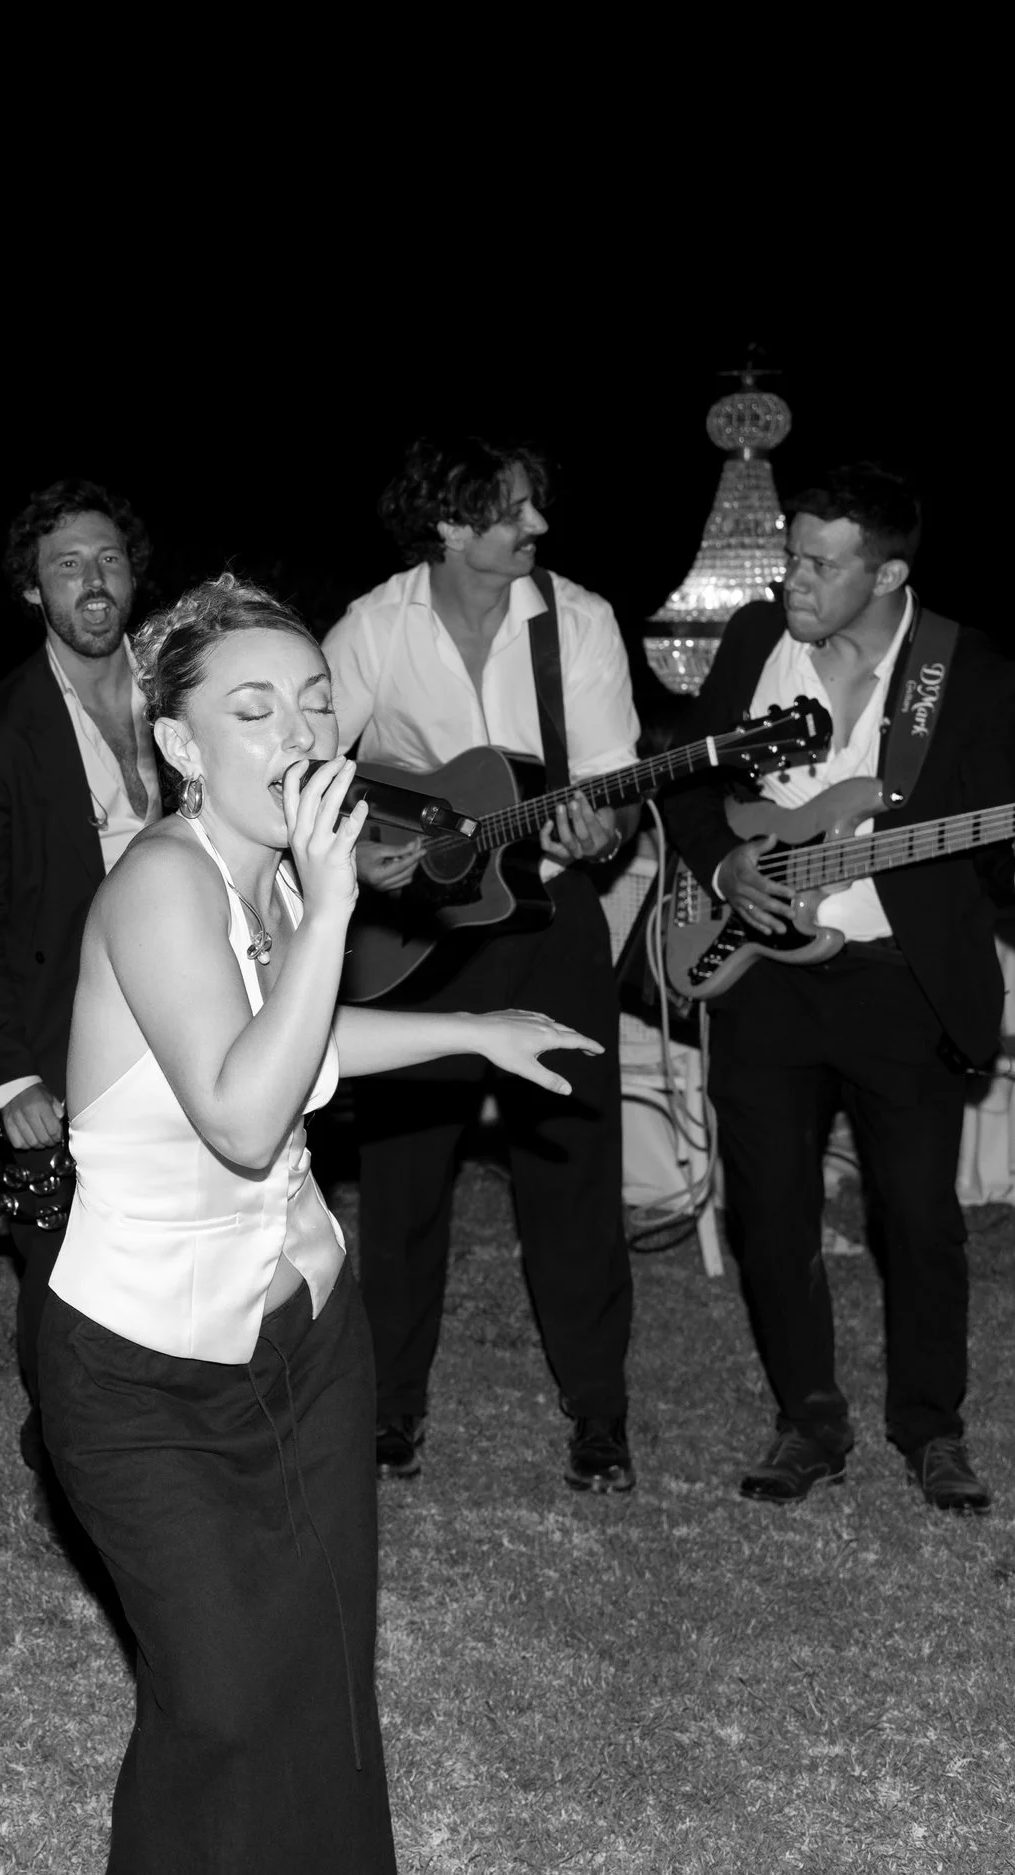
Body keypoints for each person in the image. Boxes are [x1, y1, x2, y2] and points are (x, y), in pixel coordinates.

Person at [41, 577, 596, 1873]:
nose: (298, 733)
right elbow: (241, 1114)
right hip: (146, 1370)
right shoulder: (157, 886)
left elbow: (291, 1040)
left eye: (313, 701)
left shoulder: (270, 879)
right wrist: (333, 896)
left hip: (306, 1336)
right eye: (252, 708)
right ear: (179, 742)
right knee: (223, 1700)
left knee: (326, 1676)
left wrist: (472, 1027)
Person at [659, 465, 1013, 1513]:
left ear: (890, 573)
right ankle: (806, 1421)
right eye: (792, 554)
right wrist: (721, 862)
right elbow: (687, 778)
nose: (791, 580)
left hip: (898, 984)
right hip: (761, 978)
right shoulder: (749, 646)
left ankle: (929, 1428)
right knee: (769, 1213)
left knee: (918, 1217)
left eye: (821, 564)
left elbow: (996, 859)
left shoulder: (971, 672)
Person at [323, 437, 642, 1492]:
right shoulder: (374, 627)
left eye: (534, 507)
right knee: (405, 1182)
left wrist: (604, 822)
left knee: (573, 1171)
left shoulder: (579, 624)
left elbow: (609, 782)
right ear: (451, 528)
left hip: (550, 924)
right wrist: (382, 845)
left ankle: (598, 1413)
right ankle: (388, 1412)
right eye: (509, 511)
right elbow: (308, 768)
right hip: (416, 936)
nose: (534, 528)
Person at [0, 480, 158, 1491]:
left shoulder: (183, 700)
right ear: (34, 590)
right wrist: (8, 1077)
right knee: (64, 1267)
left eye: (107, 558)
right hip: (65, 1043)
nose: (93, 580)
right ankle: (63, 1458)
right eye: (67, 564)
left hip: (189, 1020)